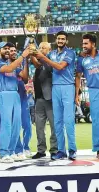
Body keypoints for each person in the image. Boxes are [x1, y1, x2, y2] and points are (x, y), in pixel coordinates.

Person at [33, 31, 77, 160]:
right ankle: (61, 151)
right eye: (58, 39)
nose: (60, 41)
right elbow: (38, 65)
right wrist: (33, 52)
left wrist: (43, 57)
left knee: (68, 120)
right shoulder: (52, 54)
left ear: (66, 41)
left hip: (68, 86)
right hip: (55, 88)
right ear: (56, 40)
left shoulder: (70, 53)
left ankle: (72, 150)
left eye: (63, 39)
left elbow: (59, 67)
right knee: (57, 122)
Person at [0, 42, 30, 163]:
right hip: (3, 93)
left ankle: (11, 151)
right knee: (6, 123)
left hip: (15, 93)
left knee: (16, 125)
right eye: (5, 49)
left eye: (9, 49)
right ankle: (3, 153)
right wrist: (22, 56)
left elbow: (24, 77)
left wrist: (26, 60)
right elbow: (8, 69)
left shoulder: (13, 63)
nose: (8, 51)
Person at [30, 42, 58, 159]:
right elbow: (36, 64)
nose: (41, 49)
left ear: (49, 50)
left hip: (50, 98)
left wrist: (35, 53)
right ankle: (41, 150)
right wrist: (31, 53)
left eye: (43, 48)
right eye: (40, 47)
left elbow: (45, 68)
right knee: (39, 127)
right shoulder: (40, 63)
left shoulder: (51, 61)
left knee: (54, 126)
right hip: (39, 99)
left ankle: (54, 150)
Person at [11, 45, 32, 159]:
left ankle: (26, 147)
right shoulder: (6, 66)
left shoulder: (18, 68)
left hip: (22, 98)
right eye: (11, 51)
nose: (14, 52)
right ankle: (17, 149)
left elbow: (25, 78)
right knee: (15, 126)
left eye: (15, 50)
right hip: (12, 100)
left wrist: (26, 61)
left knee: (27, 125)